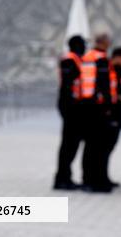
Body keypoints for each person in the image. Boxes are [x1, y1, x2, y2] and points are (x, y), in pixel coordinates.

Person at [53, 35, 86, 190]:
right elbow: (68, 85)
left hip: (73, 106)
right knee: (68, 144)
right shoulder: (69, 60)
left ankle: (65, 177)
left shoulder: (75, 60)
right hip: (70, 107)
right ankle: (62, 178)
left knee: (71, 144)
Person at [80, 33, 112, 192]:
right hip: (98, 107)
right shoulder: (101, 59)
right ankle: (97, 181)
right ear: (104, 43)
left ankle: (87, 179)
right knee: (99, 147)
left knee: (89, 146)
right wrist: (108, 106)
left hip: (86, 104)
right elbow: (104, 84)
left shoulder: (86, 57)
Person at [98, 46, 121, 188]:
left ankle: (104, 177)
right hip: (110, 114)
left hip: (116, 114)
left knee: (108, 148)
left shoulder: (117, 72)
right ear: (118, 57)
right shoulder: (110, 71)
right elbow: (108, 92)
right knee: (104, 149)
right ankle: (101, 178)